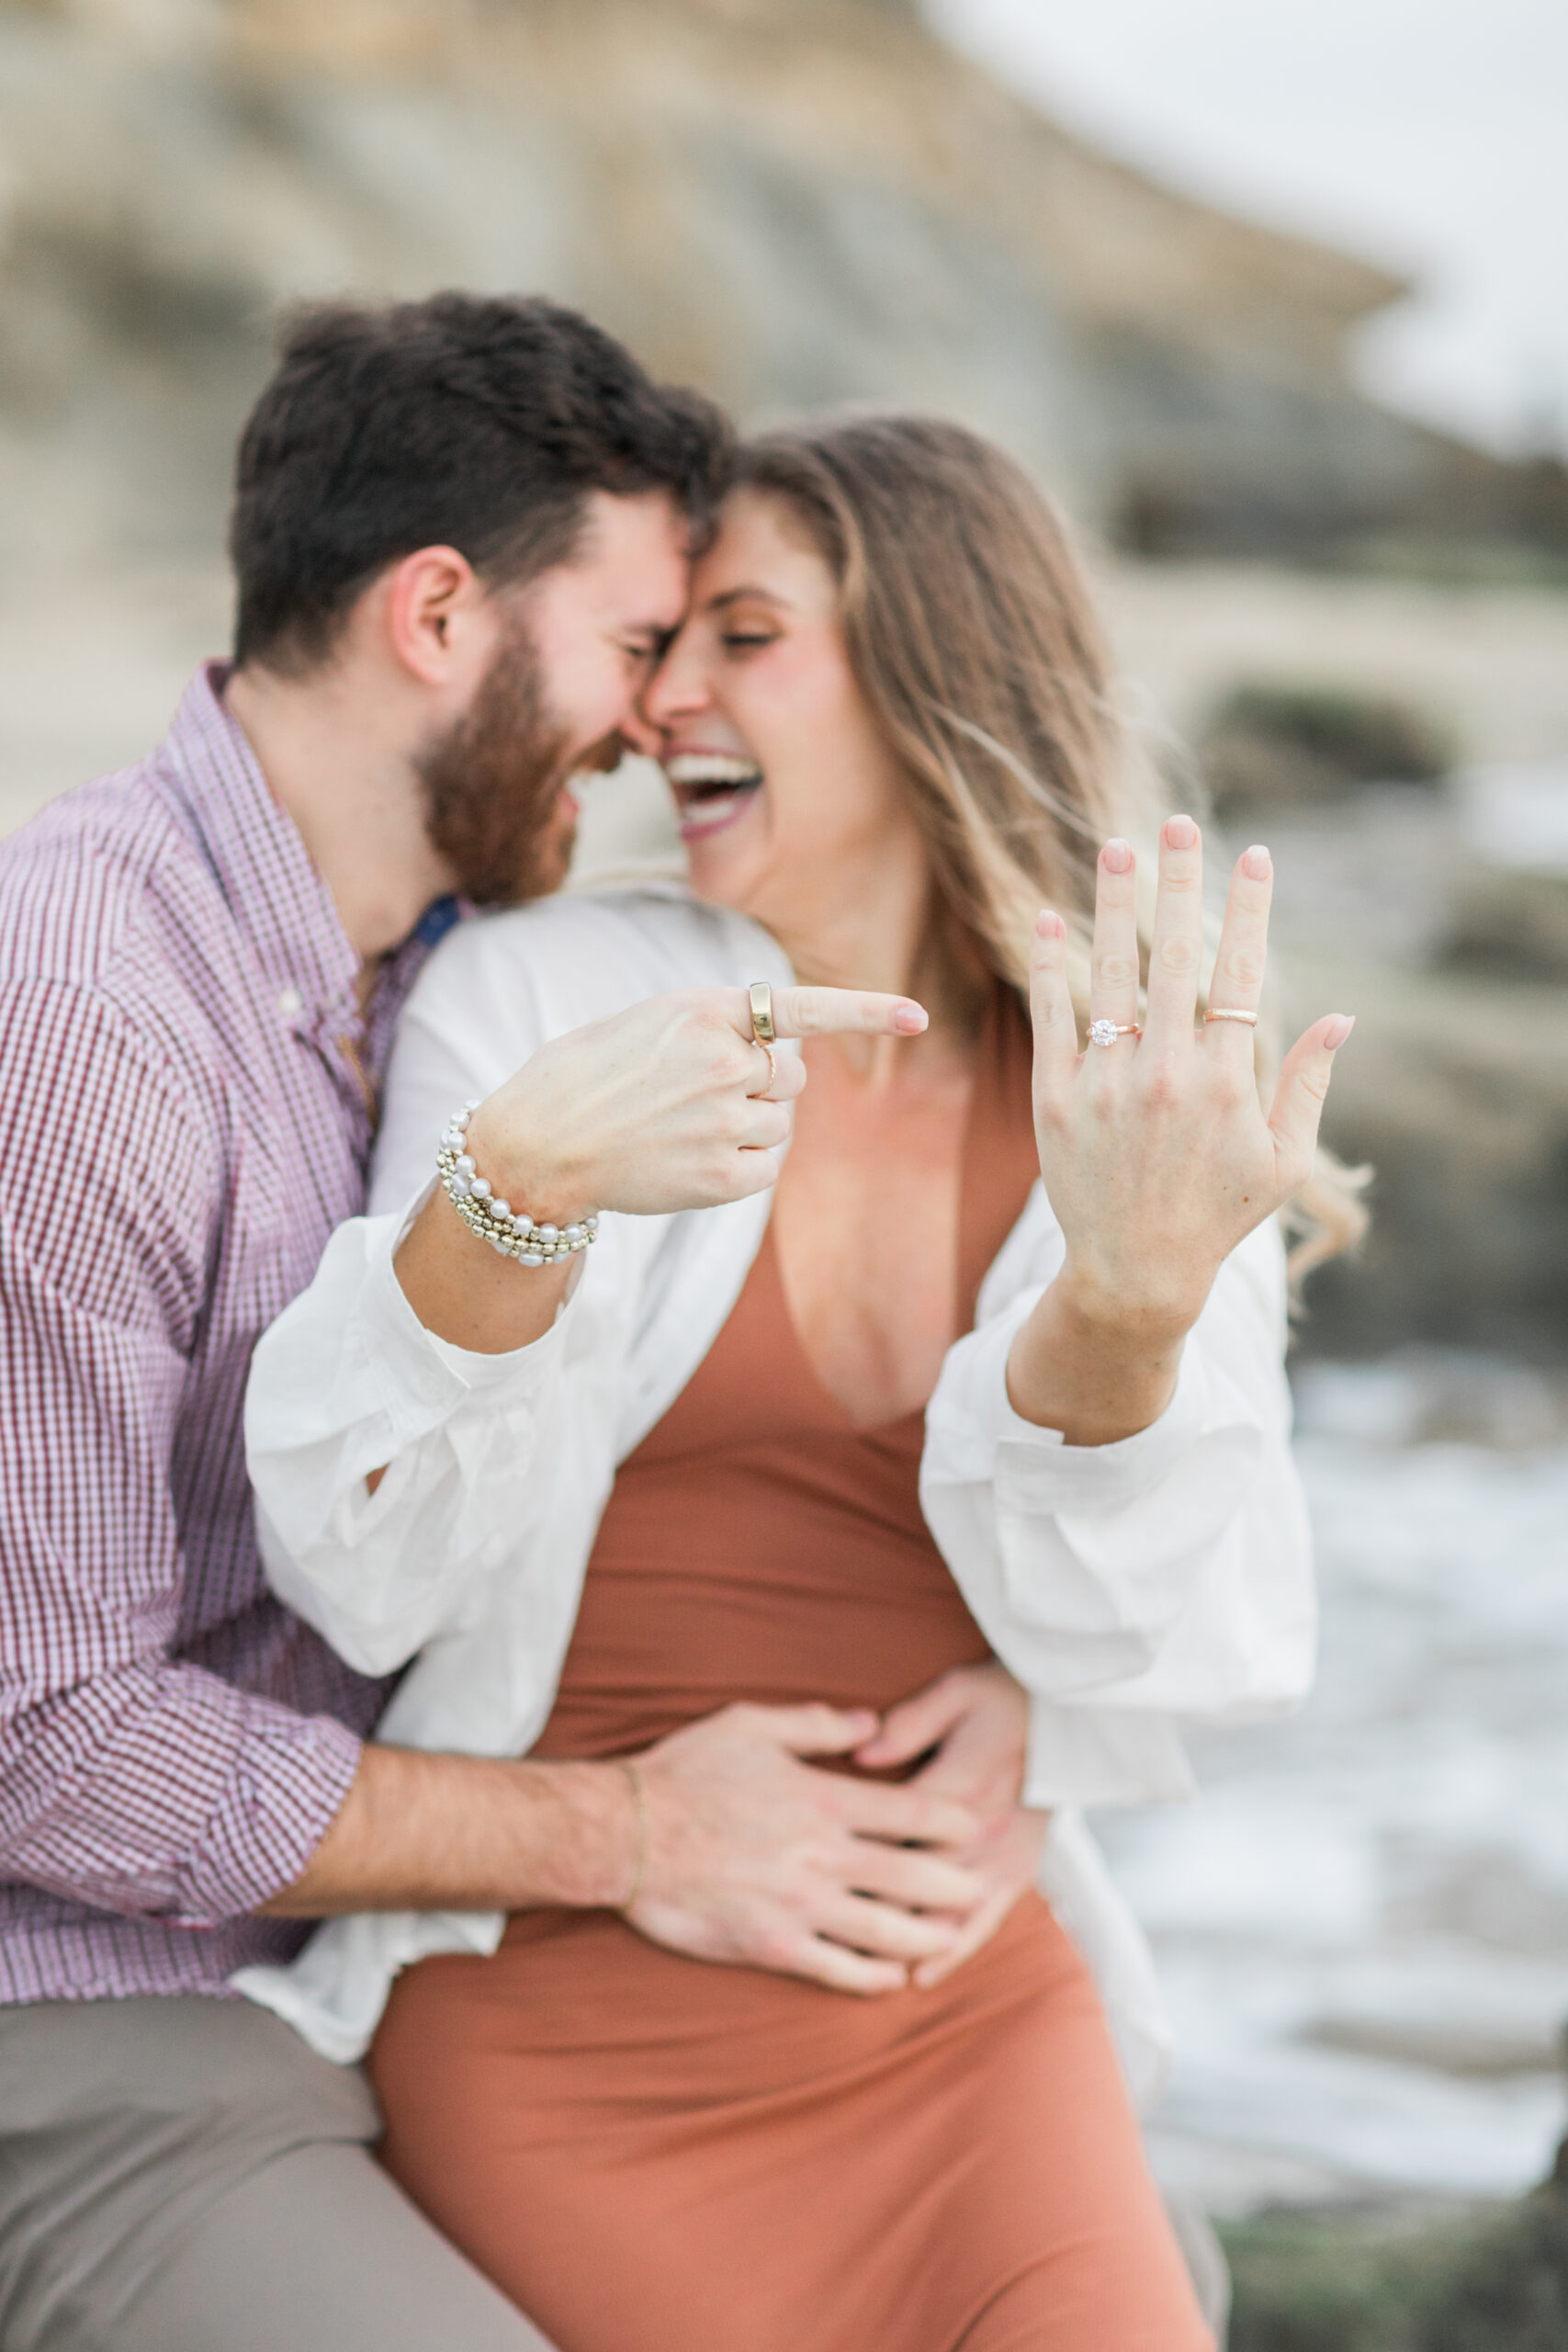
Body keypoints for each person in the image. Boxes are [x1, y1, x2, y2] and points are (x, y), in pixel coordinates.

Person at [245, 414, 1364, 2351]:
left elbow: (1198, 1634)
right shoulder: (542, 997)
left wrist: (1118, 1308)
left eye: (741, 633)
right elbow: (368, 1574)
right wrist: (512, 1195)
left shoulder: (1133, 1069)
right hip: (571, 1995)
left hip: (952, 1995)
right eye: (662, 639)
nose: (662, 694)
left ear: (929, 663)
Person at [0, 300, 1016, 2352]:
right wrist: (634, 1829)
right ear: (440, 615)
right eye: (639, 645)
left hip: (358, 1978)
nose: (655, 724)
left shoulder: (454, 967)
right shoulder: (86, 1012)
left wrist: (1023, 1697)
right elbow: (41, 1747)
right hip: (87, 2038)